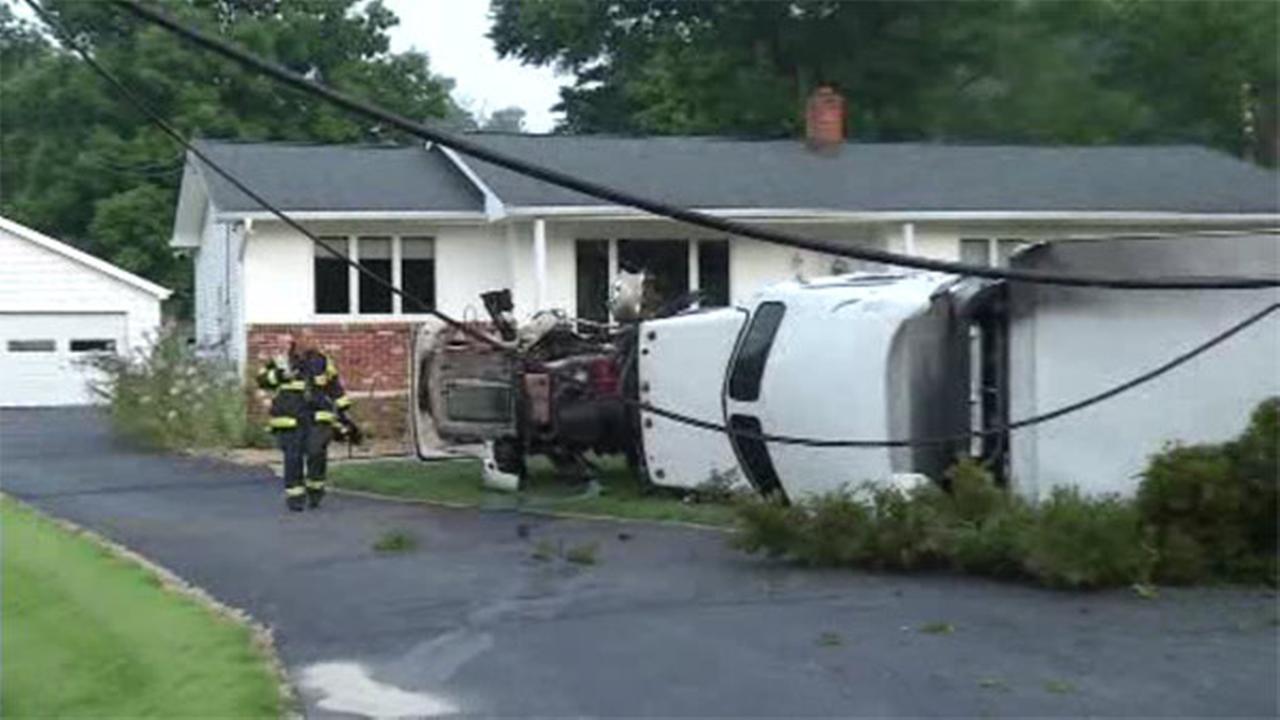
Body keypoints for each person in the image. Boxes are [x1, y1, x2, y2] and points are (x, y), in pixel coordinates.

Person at [256, 344, 360, 511]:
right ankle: (295, 497)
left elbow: (334, 387)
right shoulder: (281, 360)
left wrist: (345, 414)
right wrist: (282, 375)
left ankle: (315, 490)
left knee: (316, 452)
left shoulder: (322, 361)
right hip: (289, 419)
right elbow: (262, 380)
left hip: (318, 417)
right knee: (293, 458)